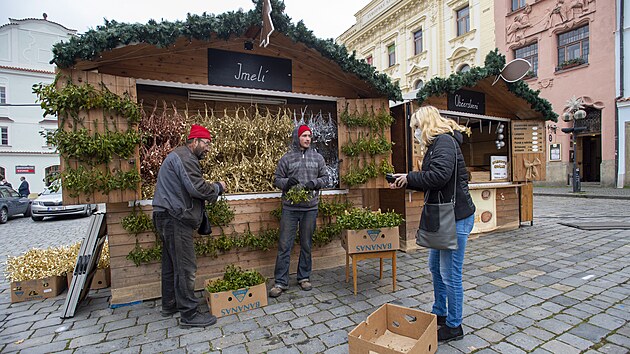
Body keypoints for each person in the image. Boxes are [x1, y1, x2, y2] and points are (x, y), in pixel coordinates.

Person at [389, 106, 475, 342]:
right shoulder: (436, 145)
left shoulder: (444, 142)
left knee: (450, 273)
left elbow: (439, 176)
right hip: (444, 216)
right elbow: (434, 181)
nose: (415, 133)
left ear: (426, 124)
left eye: (416, 128)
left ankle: (454, 326)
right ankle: (440, 314)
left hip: (455, 217)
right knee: (435, 267)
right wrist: (405, 181)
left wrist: (410, 177)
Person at [152, 124, 226, 328]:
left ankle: (170, 304)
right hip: (175, 217)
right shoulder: (185, 157)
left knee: (171, 264)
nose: (208, 148)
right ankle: (189, 314)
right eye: (206, 143)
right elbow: (197, 188)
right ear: (194, 141)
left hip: (165, 214)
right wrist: (218, 187)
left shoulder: (181, 156)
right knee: (186, 267)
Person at [269, 124, 329, 298]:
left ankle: (304, 277)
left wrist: (315, 183)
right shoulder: (286, 159)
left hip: (310, 208)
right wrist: (286, 183)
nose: (307, 139)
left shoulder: (318, 158)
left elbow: (325, 178)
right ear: (297, 137)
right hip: (290, 208)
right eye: (304, 136)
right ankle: (280, 282)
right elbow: (277, 179)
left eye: (309, 136)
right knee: (284, 245)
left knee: (306, 244)